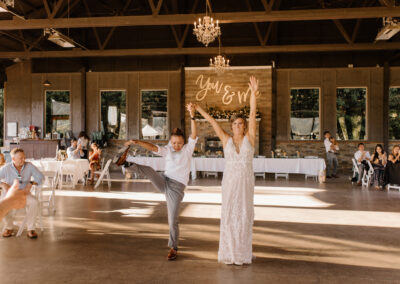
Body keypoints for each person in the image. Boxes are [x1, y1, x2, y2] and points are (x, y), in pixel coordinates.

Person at [193, 76, 258, 265]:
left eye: (240, 123)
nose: (238, 126)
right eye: (235, 124)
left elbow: (252, 114)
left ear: (244, 126)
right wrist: (198, 109)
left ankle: (242, 254)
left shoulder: (250, 139)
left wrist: (253, 94)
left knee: (244, 215)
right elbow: (213, 122)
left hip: (245, 183)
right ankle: (229, 252)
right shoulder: (226, 139)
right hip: (229, 182)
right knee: (230, 215)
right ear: (232, 126)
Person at [123, 104, 198, 261]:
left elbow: (194, 133)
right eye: (174, 143)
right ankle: (127, 164)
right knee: (150, 170)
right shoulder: (168, 150)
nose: (177, 146)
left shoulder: (187, 150)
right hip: (164, 181)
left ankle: (174, 247)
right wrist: (137, 141)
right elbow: (152, 147)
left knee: (173, 219)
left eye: (179, 143)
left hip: (176, 189)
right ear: (171, 142)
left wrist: (192, 115)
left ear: (183, 142)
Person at [0, 148, 44, 239]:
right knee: (2, 203)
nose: (23, 160)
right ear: (13, 159)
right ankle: (9, 227)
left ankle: (30, 229)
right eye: (21, 158)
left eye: (24, 157)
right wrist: (3, 184)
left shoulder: (29, 166)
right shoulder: (6, 168)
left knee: (34, 202)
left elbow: (41, 177)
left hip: (24, 194)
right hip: (10, 195)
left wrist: (31, 183)